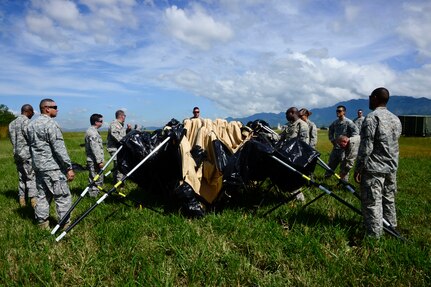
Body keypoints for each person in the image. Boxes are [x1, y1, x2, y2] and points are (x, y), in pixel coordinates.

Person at [354, 87, 402, 238]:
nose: (368, 99)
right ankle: (391, 228)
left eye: (370, 96)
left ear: (375, 98)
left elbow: (366, 147)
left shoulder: (372, 118)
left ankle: (374, 237)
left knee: (372, 202)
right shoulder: (395, 119)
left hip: (374, 169)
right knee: (389, 199)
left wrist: (359, 168)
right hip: (391, 167)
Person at [27, 99, 75, 229]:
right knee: (62, 196)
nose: (57, 109)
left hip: (38, 167)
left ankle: (42, 223)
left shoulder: (31, 125)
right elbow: (59, 148)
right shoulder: (51, 124)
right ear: (47, 109)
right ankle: (65, 224)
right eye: (55, 107)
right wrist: (68, 167)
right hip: (52, 167)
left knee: (42, 196)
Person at [8, 104, 38, 207]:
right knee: (31, 177)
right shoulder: (27, 122)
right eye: (32, 112)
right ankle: (33, 201)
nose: (33, 114)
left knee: (21, 178)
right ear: (28, 111)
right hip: (27, 155)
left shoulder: (12, 123)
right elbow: (32, 139)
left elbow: (12, 139)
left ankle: (22, 199)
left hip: (17, 154)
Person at [281, 107, 309, 201]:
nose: (286, 116)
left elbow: (303, 144)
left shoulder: (302, 125)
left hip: (296, 157)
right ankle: (292, 195)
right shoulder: (289, 125)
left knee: (295, 177)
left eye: (287, 114)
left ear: (292, 113)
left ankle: (299, 199)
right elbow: (281, 137)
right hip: (287, 155)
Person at [325, 105, 359, 177]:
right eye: (337, 111)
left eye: (339, 111)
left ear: (344, 112)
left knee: (344, 166)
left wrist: (348, 141)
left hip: (344, 149)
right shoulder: (335, 122)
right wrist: (332, 140)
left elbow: (356, 133)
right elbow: (330, 130)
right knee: (330, 164)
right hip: (336, 148)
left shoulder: (349, 122)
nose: (337, 112)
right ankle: (326, 178)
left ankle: (343, 183)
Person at [107, 110, 131, 183]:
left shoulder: (120, 124)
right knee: (120, 167)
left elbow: (122, 134)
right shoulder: (114, 124)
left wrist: (128, 130)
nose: (125, 117)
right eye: (124, 116)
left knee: (118, 166)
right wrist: (124, 142)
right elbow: (115, 135)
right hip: (115, 148)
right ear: (121, 116)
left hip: (119, 148)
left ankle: (116, 182)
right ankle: (120, 185)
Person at [85, 114, 105, 197]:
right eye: (101, 121)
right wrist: (99, 161)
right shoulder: (93, 133)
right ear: (96, 122)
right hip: (94, 161)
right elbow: (95, 148)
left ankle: (97, 194)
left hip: (94, 160)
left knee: (98, 178)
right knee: (95, 179)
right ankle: (93, 196)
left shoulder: (93, 131)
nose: (102, 123)